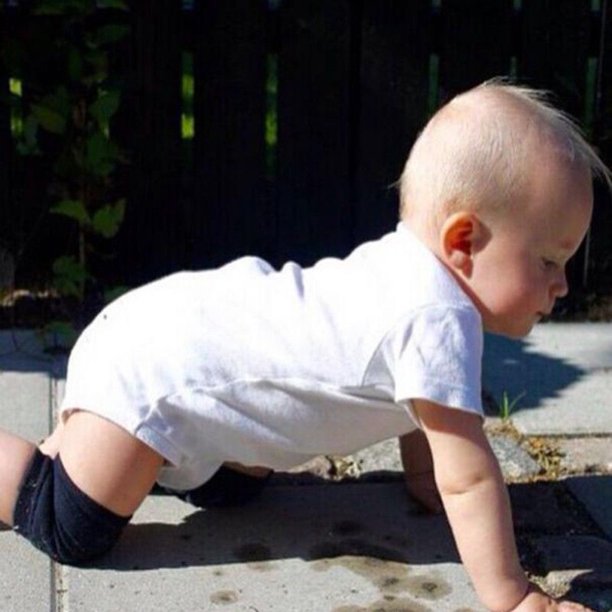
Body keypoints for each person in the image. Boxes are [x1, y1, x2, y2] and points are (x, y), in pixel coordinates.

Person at [1, 80, 609, 612]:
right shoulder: (436, 318)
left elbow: (423, 419)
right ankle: (60, 455)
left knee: (239, 490)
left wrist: (423, 482)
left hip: (174, 354)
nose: (561, 284)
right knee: (69, 525)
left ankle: (97, 448)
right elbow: (469, 479)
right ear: (464, 240)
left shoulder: (411, 282)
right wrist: (513, 594)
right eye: (550, 260)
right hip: (151, 377)